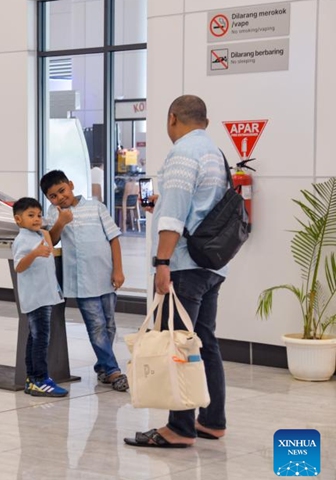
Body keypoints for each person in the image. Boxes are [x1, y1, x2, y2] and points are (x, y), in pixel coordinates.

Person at [124, 95, 228, 449]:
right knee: (204, 342)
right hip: (212, 265)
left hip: (183, 264)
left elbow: (175, 216)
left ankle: (180, 428)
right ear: (205, 121)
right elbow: (201, 208)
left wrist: (162, 263)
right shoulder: (215, 153)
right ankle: (213, 421)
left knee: (175, 342)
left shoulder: (183, 153)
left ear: (172, 119)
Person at [41, 170, 129, 393]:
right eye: (53, 195)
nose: (60, 197)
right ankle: (113, 370)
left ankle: (102, 366)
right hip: (81, 281)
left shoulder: (97, 206)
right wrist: (60, 222)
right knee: (96, 325)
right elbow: (51, 240)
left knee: (109, 324)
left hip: (106, 276)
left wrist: (118, 270)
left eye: (62, 191)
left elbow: (114, 238)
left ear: (70, 185)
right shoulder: (54, 213)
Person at [11, 197, 67, 397]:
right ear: (18, 219)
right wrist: (33, 254)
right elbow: (18, 266)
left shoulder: (38, 235)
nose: (37, 219)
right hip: (36, 298)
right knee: (41, 339)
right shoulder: (22, 240)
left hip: (45, 295)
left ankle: (33, 378)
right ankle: (39, 379)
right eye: (31, 215)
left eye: (39, 215)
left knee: (35, 338)